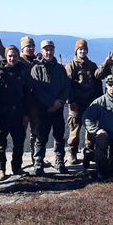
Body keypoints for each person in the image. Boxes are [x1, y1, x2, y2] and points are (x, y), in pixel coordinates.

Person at [0, 20, 41, 163]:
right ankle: (12, 165)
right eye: (27, 46)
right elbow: (2, 50)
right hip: (18, 104)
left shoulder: (36, 63)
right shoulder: (17, 61)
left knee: (35, 134)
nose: (30, 48)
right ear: (22, 49)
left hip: (34, 103)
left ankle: (35, 160)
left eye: (32, 46)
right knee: (19, 136)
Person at [0, 44, 31, 180]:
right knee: (0, 143)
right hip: (2, 114)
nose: (12, 58)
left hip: (18, 113)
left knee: (18, 142)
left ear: (18, 57)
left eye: (14, 56)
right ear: (6, 57)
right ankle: (1, 170)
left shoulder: (22, 70)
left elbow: (27, 93)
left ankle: (17, 168)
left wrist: (26, 114)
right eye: (10, 56)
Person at [31, 39, 70, 175]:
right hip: (43, 111)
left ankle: (59, 161)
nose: (48, 52)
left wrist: (59, 102)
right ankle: (38, 164)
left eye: (51, 49)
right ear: (42, 51)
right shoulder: (36, 69)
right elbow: (37, 89)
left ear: (54, 50)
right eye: (46, 50)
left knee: (59, 136)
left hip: (58, 110)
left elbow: (66, 87)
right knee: (41, 138)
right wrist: (52, 103)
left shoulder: (61, 69)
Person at [65, 39, 101, 165]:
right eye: (80, 49)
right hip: (76, 103)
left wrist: (99, 100)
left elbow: (97, 84)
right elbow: (67, 85)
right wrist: (71, 101)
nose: (82, 51)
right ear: (76, 51)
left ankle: (89, 151)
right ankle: (73, 153)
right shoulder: (71, 66)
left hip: (90, 103)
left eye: (84, 49)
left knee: (90, 129)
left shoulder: (92, 65)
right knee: (75, 129)